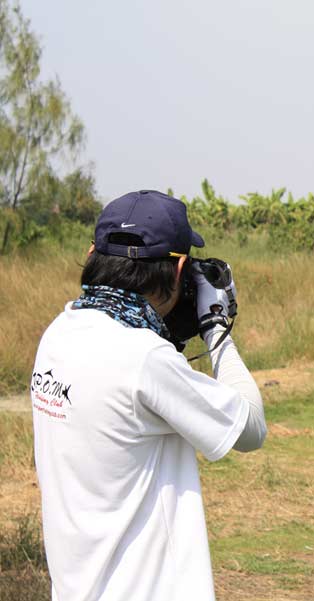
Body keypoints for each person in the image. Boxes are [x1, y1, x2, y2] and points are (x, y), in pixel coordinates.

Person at [30, 190, 266, 601]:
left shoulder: (58, 333)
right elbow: (250, 428)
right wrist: (214, 326)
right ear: (178, 270)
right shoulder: (144, 359)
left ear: (91, 254)